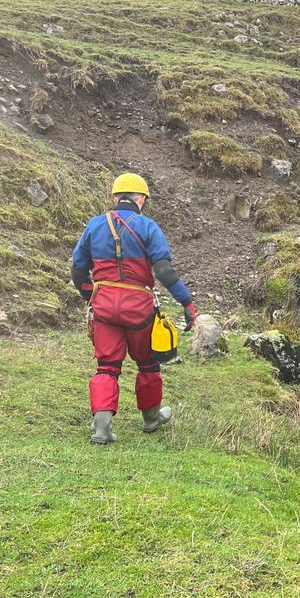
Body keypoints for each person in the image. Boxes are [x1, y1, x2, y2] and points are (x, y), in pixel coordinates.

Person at [71, 173, 196, 445]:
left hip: (103, 305)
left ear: (115, 197)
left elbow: (78, 268)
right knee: (148, 363)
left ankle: (102, 428)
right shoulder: (148, 226)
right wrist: (186, 302)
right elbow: (163, 270)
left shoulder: (95, 225)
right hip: (139, 309)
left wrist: (89, 295)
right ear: (141, 199)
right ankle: (151, 419)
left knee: (107, 366)